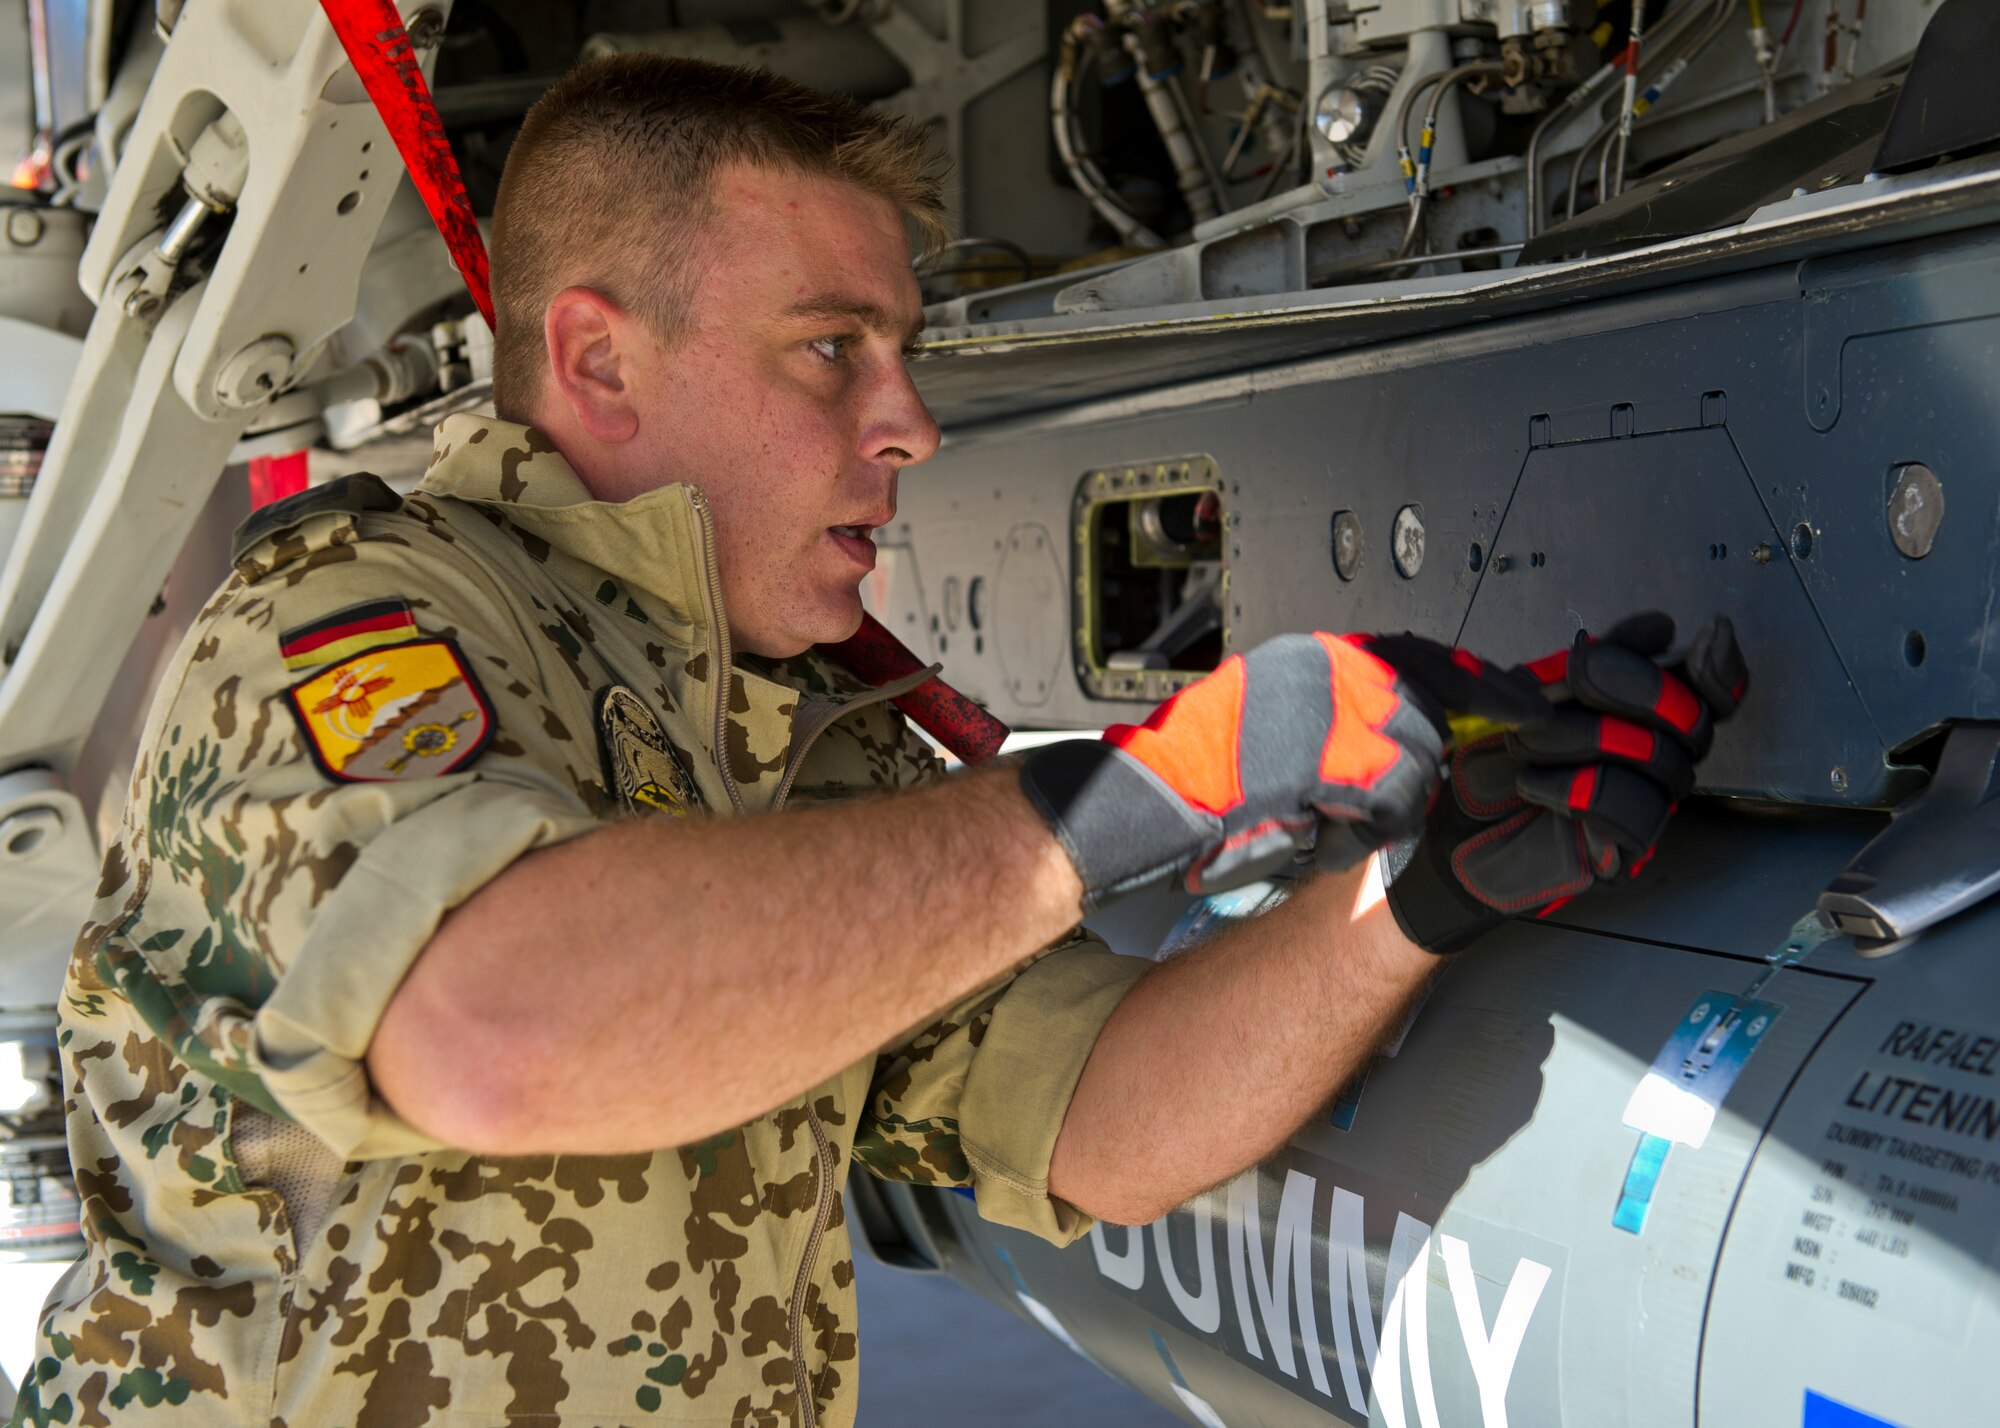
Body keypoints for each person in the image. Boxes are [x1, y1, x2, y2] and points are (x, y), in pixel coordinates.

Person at [11, 55, 1741, 1428]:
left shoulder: (806, 750)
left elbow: (1100, 1119)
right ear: (600, 365)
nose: (907, 422)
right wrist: (1173, 774)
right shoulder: (355, 619)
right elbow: (494, 1033)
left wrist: (1423, 894)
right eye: (831, 350)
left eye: (902, 354)